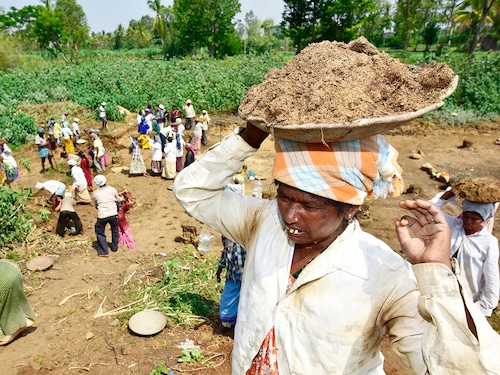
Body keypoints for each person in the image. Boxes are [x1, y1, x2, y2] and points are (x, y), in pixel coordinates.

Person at [174, 123, 500, 374]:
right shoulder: (264, 222)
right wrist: (250, 136)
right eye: (285, 196)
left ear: (350, 208)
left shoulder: (386, 275)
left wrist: (437, 276)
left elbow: (460, 367)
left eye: (310, 205)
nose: (290, 214)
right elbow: (192, 190)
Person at [430, 188, 500, 316]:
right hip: (440, 293)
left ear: (484, 220)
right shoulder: (453, 225)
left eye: (474, 219)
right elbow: (430, 209)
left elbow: (492, 278)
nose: (468, 222)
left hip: (468, 303)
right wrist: (448, 194)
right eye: (466, 216)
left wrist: (480, 309)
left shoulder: (489, 242)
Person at [215, 181, 247, 335]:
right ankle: (227, 325)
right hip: (232, 272)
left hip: (247, 272)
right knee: (229, 296)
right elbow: (225, 250)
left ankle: (242, 325)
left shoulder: (246, 226)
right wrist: (220, 268)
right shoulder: (226, 227)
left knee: (247, 299)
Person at [0, 261, 36, 346]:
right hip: (10, 268)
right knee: (9, 303)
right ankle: (23, 318)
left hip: (3, 281)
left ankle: (17, 328)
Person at [92, 174, 120, 257]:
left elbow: (96, 205)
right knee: (115, 230)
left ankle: (104, 251)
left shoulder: (95, 193)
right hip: (113, 214)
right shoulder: (112, 189)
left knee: (99, 231)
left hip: (102, 215)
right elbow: (118, 200)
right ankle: (115, 248)